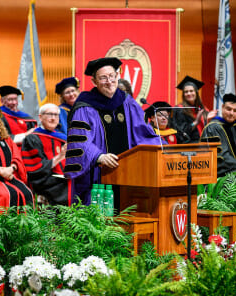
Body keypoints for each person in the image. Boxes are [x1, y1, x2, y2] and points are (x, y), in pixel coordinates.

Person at [64, 57, 162, 205]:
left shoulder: (127, 102)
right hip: (98, 177)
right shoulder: (84, 107)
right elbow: (79, 141)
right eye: (103, 78)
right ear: (94, 82)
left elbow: (143, 133)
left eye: (112, 76)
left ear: (117, 76)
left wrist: (162, 148)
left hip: (127, 175)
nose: (109, 81)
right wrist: (98, 156)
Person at [21, 103, 71, 206]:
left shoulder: (62, 138)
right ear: (40, 117)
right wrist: (60, 157)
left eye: (56, 115)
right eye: (49, 114)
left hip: (63, 177)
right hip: (43, 180)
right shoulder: (32, 138)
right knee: (66, 189)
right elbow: (35, 169)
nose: (53, 118)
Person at [171, 76, 217, 143]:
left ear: (196, 92)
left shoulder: (203, 109)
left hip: (204, 144)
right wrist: (196, 122)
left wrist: (208, 120)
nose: (189, 93)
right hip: (189, 146)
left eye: (191, 91)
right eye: (186, 92)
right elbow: (181, 133)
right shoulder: (179, 110)